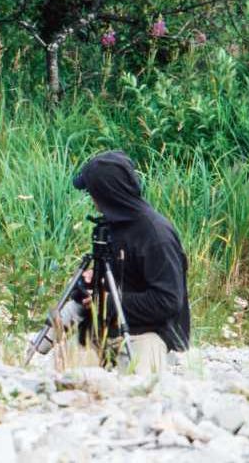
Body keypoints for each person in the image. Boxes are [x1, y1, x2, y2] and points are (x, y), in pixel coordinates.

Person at [65, 150, 191, 375]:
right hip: (100, 329)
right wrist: (95, 281)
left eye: (92, 192)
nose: (92, 200)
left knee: (139, 387)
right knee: (63, 377)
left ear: (106, 193)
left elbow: (169, 301)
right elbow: (120, 279)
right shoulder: (111, 227)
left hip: (146, 332)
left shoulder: (156, 235)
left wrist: (108, 303)